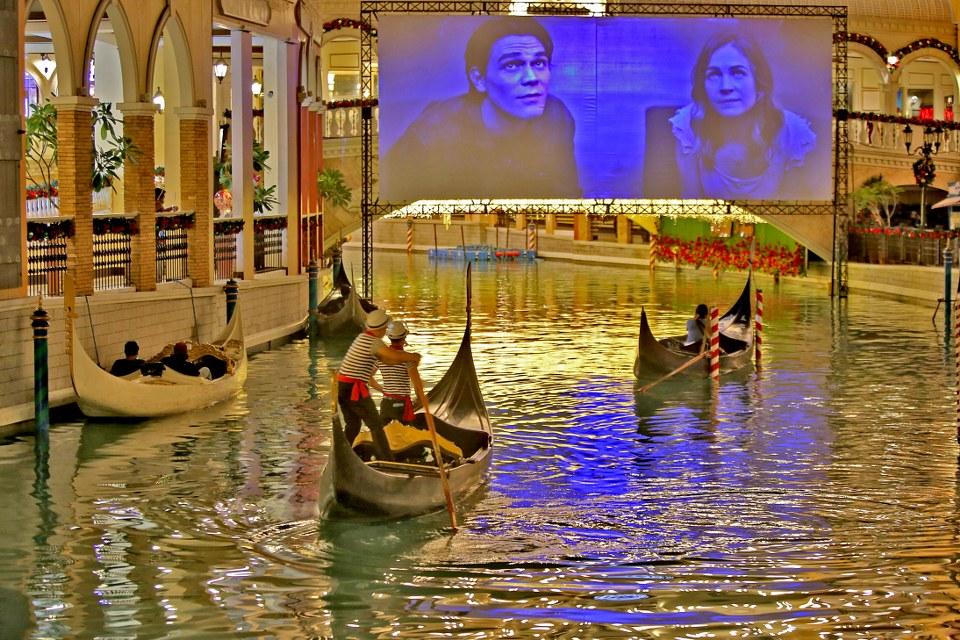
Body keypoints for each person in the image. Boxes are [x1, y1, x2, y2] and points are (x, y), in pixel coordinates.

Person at [381, 16, 580, 200]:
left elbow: (567, 195)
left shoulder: (557, 116)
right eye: (512, 65)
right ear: (479, 79)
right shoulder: (436, 128)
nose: (532, 78)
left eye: (538, 63)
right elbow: (393, 194)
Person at [669, 33, 816, 200]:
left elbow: (796, 206)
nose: (725, 87)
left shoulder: (792, 131)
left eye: (738, 73)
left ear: (758, 81)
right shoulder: (688, 125)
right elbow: (692, 203)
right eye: (714, 74)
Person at [337, 310, 421, 461]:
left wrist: (384, 389)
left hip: (342, 388)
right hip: (355, 389)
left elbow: (388, 359)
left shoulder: (362, 338)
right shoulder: (374, 342)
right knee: (376, 426)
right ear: (381, 329)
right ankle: (387, 460)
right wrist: (413, 356)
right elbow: (394, 356)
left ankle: (342, 454)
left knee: (353, 425)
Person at [375, 320, 418, 425]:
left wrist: (384, 391)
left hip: (386, 404)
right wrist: (420, 400)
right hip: (401, 405)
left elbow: (369, 379)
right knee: (408, 432)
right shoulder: (408, 358)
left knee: (381, 432)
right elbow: (417, 385)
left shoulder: (380, 357)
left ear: (389, 338)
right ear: (404, 338)